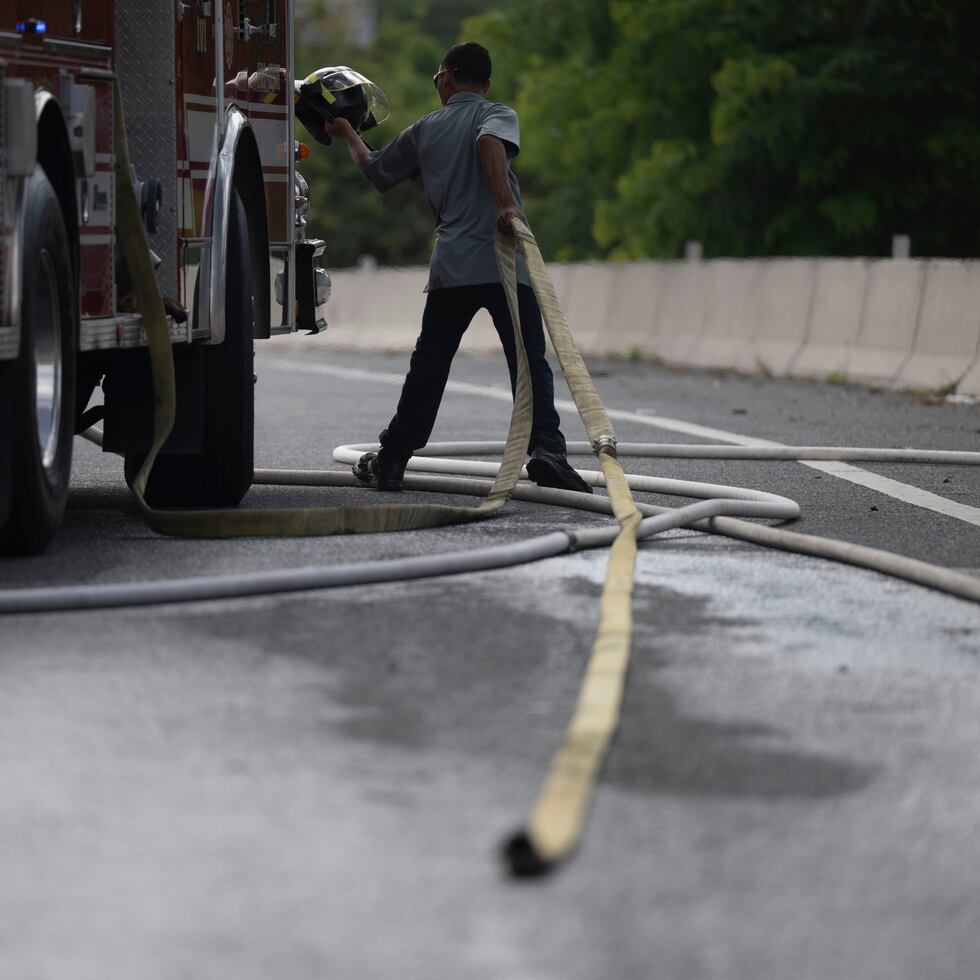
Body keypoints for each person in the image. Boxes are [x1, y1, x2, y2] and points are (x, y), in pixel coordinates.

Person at [325, 41, 591, 495]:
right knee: (528, 361)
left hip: (453, 265)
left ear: (446, 78)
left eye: (437, 79)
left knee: (429, 365)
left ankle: (393, 459)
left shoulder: (426, 128)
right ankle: (548, 450)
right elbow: (488, 140)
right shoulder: (497, 113)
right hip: (506, 264)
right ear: (485, 84)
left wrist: (349, 133)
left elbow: (375, 169)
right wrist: (505, 204)